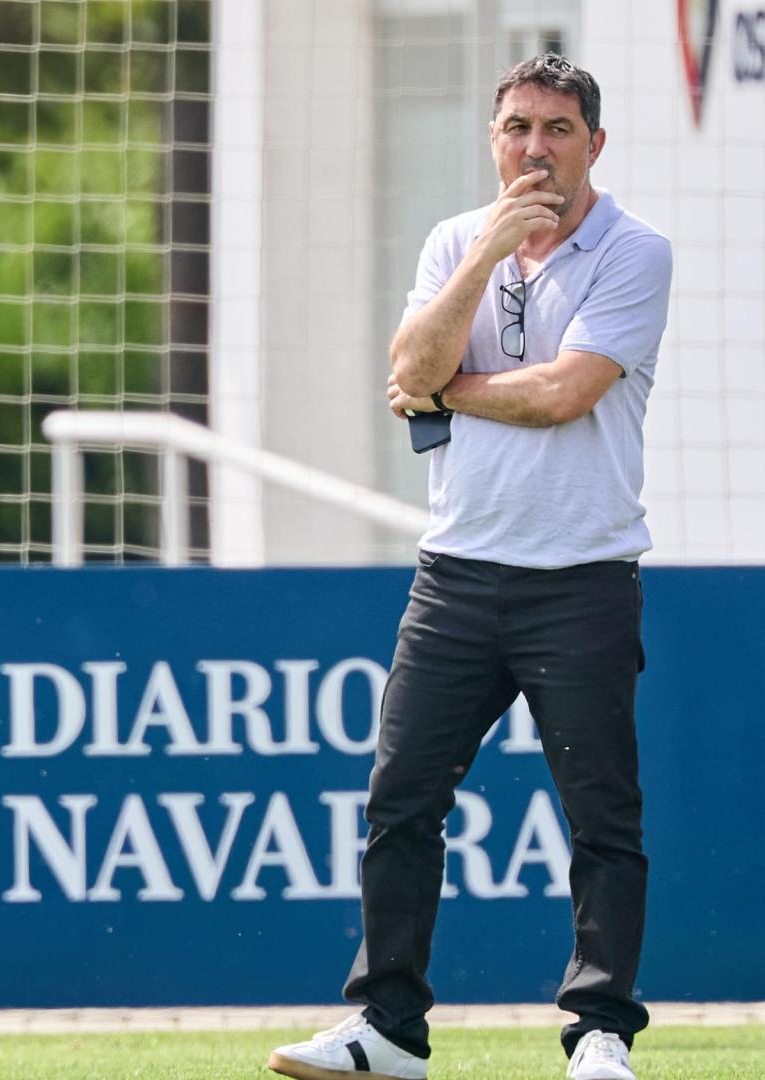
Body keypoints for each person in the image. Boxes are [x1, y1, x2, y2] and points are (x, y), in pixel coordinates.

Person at [266, 53, 672, 1080]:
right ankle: (387, 1027)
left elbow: (561, 395)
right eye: (517, 128)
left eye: (558, 129)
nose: (535, 148)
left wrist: (450, 389)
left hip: (581, 575)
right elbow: (409, 366)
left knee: (601, 816)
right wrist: (487, 252)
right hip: (455, 572)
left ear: (594, 144)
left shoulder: (635, 250)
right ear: (493, 139)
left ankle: (600, 1034)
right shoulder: (458, 242)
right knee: (400, 800)